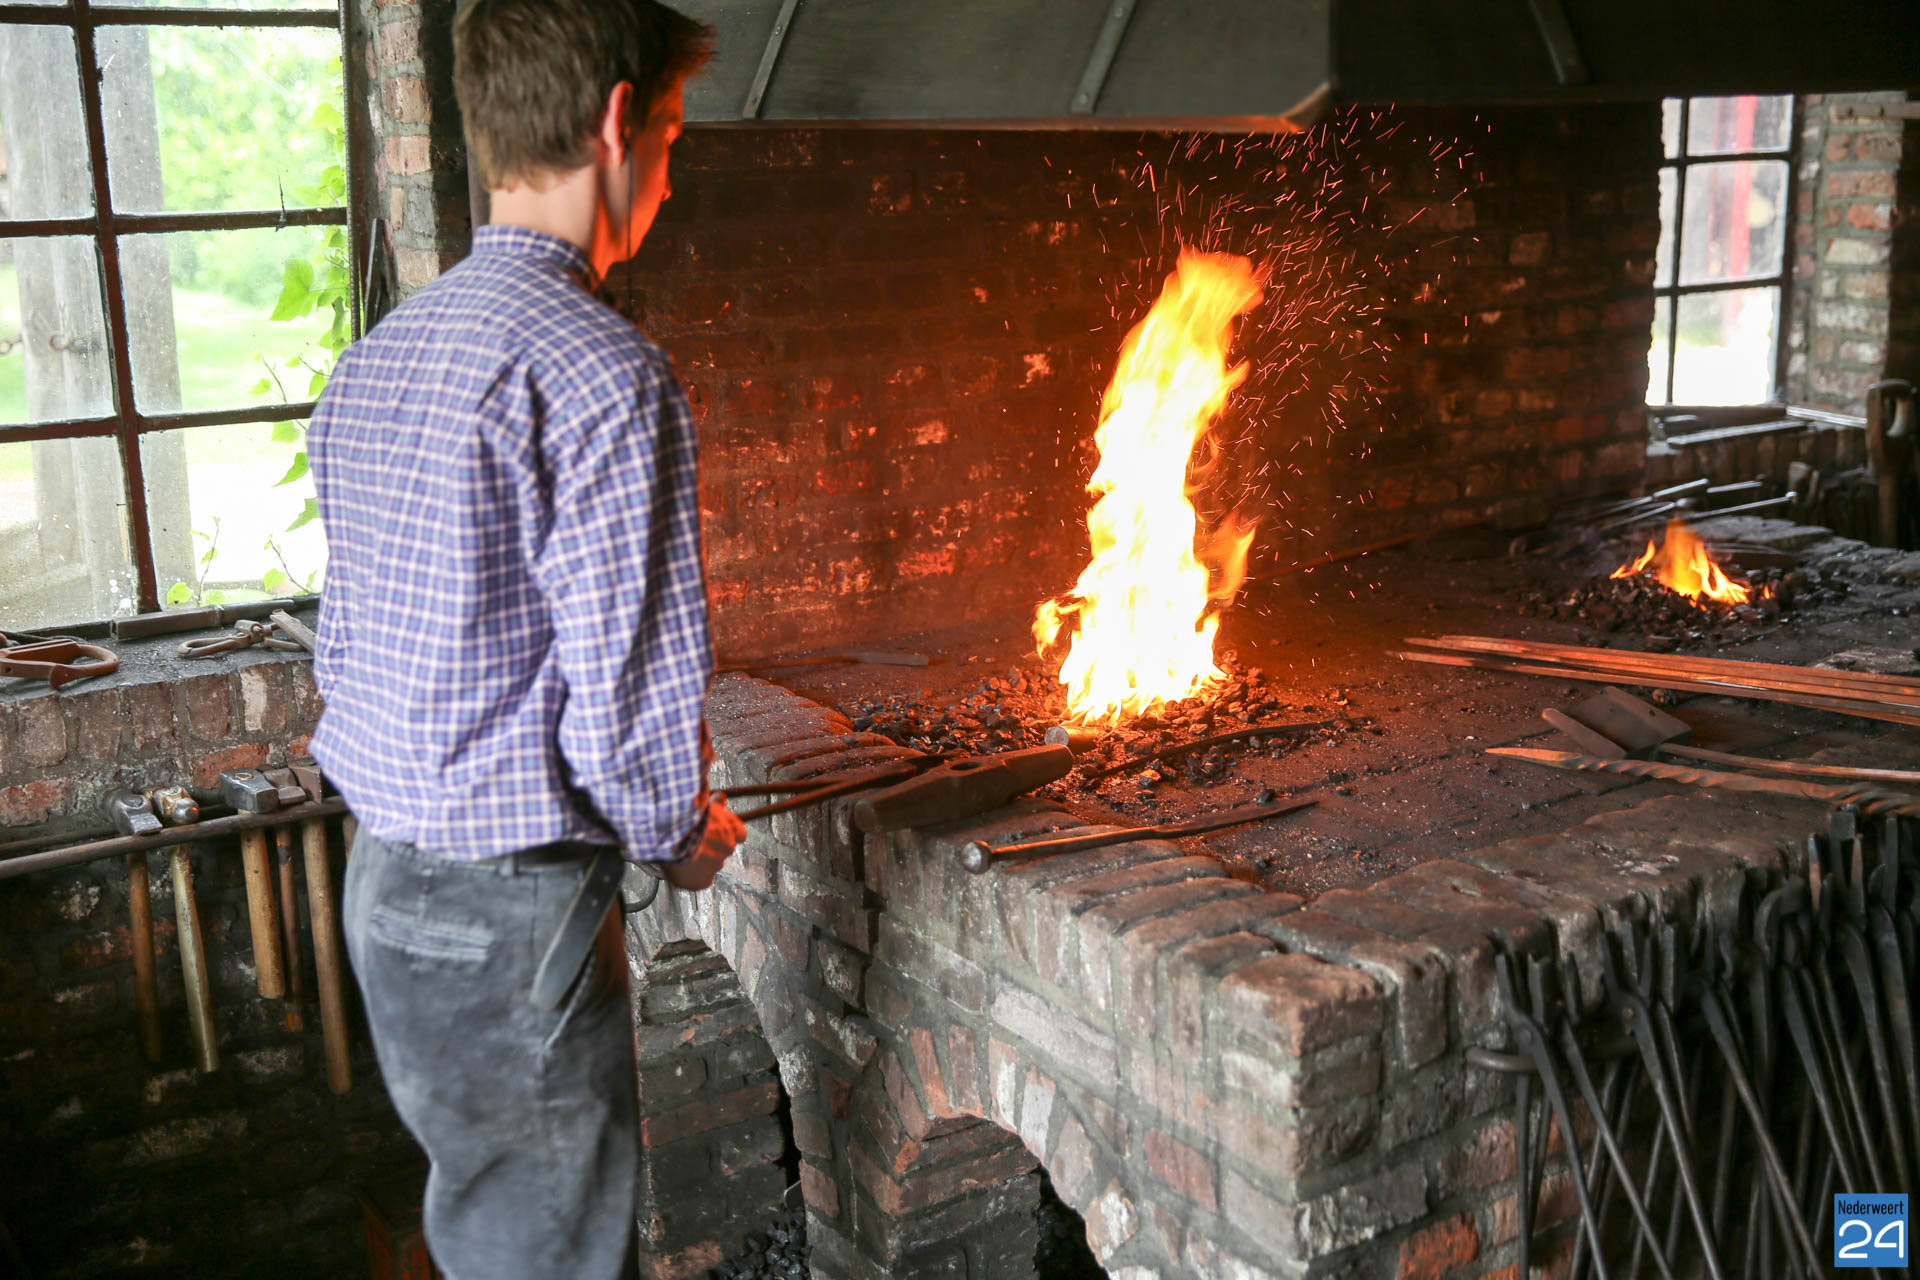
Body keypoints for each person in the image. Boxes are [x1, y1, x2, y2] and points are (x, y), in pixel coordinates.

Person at [305, 2, 743, 1276]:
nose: (669, 175)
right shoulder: (604, 372)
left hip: (384, 888)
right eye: (672, 136)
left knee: (492, 1232)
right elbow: (627, 699)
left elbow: (347, 650)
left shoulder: (377, 359)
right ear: (617, 121)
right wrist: (678, 830)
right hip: (510, 918)